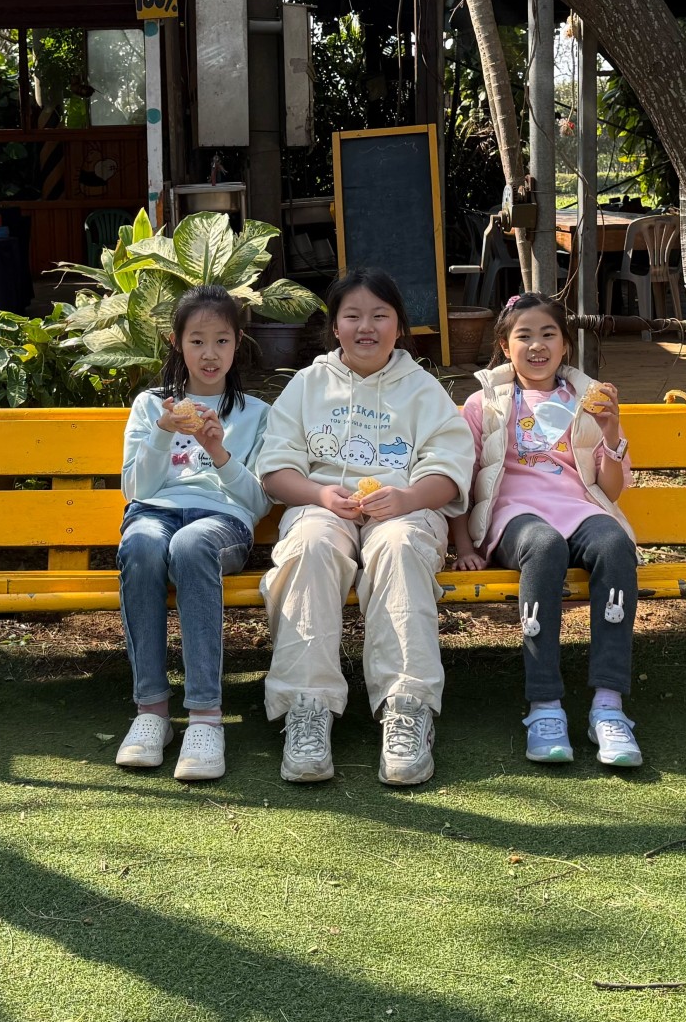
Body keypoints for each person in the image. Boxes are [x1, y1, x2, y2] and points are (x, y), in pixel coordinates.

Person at [254, 267, 473, 788]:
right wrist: (319, 494)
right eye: (352, 316)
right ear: (335, 326)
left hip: (405, 509)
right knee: (309, 545)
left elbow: (448, 470)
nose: (366, 327)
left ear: (399, 325)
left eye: (380, 315)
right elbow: (276, 468)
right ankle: (306, 707)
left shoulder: (423, 390)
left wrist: (408, 498)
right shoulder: (307, 385)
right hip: (322, 506)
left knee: (399, 546)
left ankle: (407, 706)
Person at [448, 293, 642, 768]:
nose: (537, 345)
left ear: (565, 345)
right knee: (544, 545)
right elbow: (458, 478)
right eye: (524, 336)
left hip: (578, 510)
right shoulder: (483, 404)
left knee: (615, 543)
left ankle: (608, 706)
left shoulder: (587, 400)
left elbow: (611, 490)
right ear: (504, 346)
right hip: (514, 517)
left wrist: (611, 432)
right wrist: (464, 545)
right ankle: (545, 705)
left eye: (548, 334)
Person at [113, 285, 271, 783]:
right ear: (176, 343)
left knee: (190, 544)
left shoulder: (255, 413)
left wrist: (220, 454)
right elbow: (135, 489)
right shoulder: (150, 407)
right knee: (140, 543)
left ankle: (205, 717)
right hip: (153, 512)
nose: (209, 354)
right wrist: (163, 433)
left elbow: (258, 502)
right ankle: (151, 712)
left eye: (221, 341)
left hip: (220, 522)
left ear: (238, 342)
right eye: (197, 341)